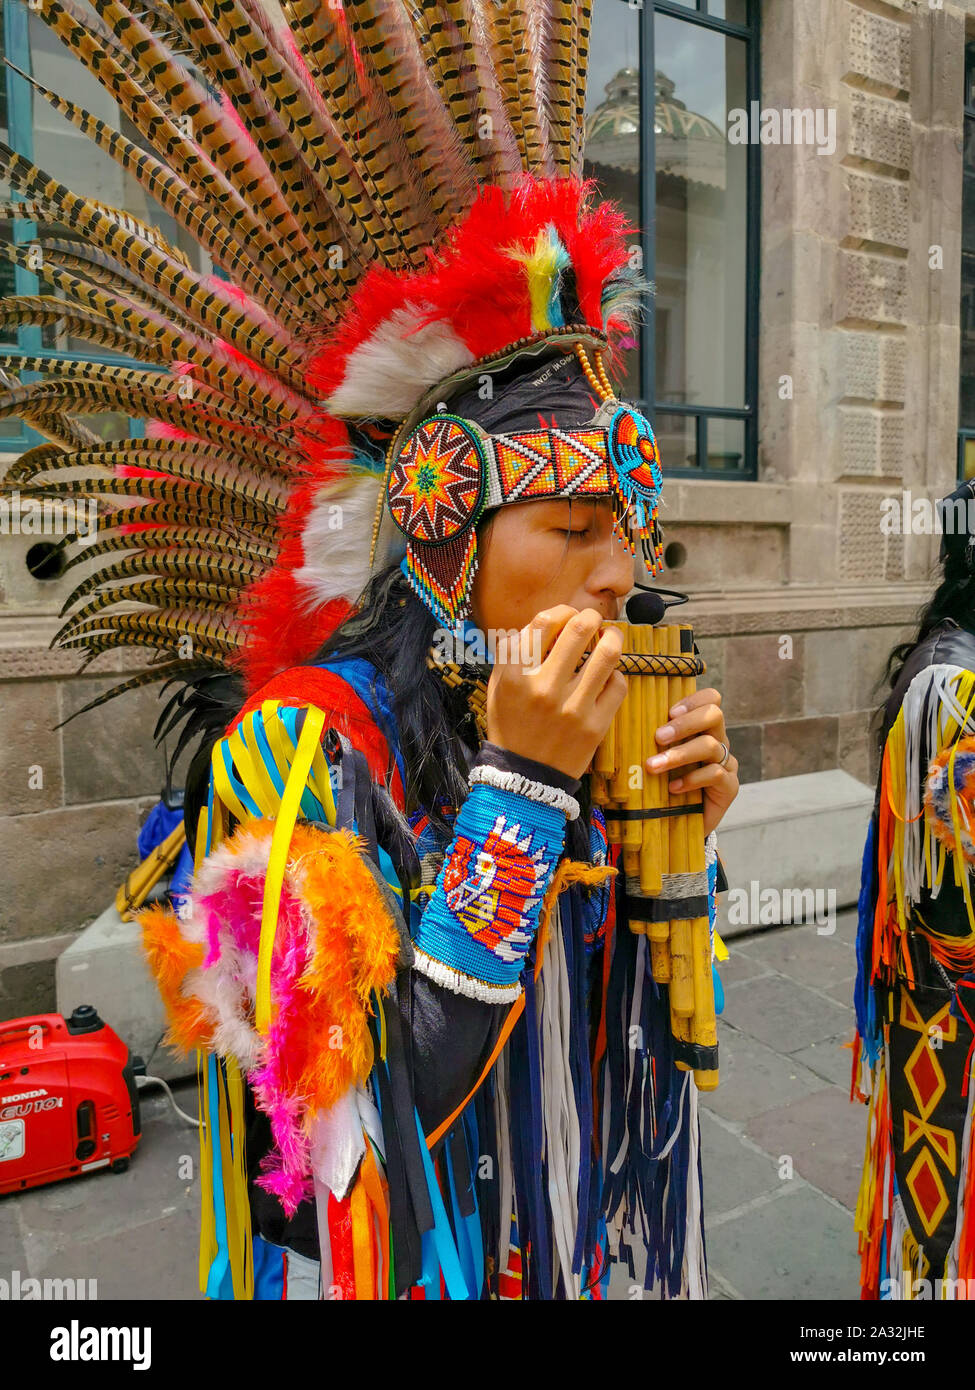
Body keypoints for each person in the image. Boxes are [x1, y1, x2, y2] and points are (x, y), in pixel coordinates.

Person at [0, 4, 739, 1298]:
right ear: (441, 535)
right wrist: (519, 799)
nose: (619, 572)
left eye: (630, 531)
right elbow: (338, 1150)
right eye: (571, 525)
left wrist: (666, 852)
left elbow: (615, 1044)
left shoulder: (541, 726)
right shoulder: (294, 755)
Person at [854, 477, 975, 1299]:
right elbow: (942, 875)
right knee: (942, 1223)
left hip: (939, 993)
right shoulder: (949, 681)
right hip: (945, 1000)